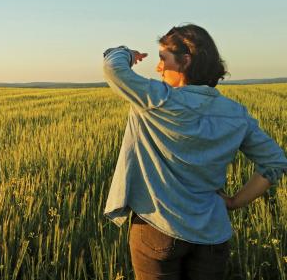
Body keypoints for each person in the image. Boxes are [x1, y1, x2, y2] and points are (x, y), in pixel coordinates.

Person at [102, 24, 287, 280]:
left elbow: (112, 67)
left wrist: (126, 52)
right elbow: (275, 162)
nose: (158, 68)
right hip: (212, 234)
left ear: (185, 61)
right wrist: (234, 202)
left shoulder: (158, 100)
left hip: (158, 228)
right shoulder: (235, 113)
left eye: (162, 59)